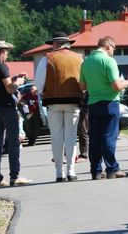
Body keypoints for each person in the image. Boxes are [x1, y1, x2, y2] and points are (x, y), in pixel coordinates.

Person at [80, 36, 128, 180]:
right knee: (109, 137)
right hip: (109, 102)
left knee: (94, 138)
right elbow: (116, 85)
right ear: (108, 46)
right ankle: (112, 169)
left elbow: (82, 86)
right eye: (114, 48)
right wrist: (126, 83)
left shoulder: (86, 62)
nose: (114, 51)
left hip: (93, 103)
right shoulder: (109, 61)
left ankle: (95, 171)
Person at [0, 40, 31, 188]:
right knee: (13, 142)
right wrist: (20, 81)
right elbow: (10, 89)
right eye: (6, 51)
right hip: (6, 108)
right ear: (0, 52)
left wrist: (14, 78)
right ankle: (14, 176)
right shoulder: (1, 66)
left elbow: (0, 83)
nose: (7, 54)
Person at [35, 32, 83, 182]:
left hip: (53, 102)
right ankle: (71, 171)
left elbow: (38, 84)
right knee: (71, 137)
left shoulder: (47, 59)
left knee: (56, 138)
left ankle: (59, 172)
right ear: (67, 44)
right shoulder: (79, 58)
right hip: (74, 101)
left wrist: (45, 91)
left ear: (55, 44)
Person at [76, 91, 89, 162]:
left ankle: (84, 154)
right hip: (74, 107)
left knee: (82, 132)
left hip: (83, 109)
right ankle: (66, 154)